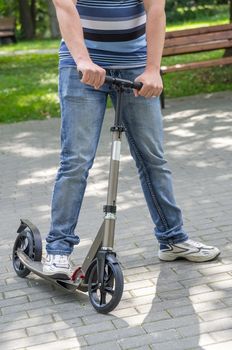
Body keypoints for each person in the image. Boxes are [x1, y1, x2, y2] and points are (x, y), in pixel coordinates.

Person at [43, 0, 220, 278]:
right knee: (76, 160)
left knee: (153, 158)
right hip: (82, 67)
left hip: (135, 65)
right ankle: (58, 249)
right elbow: (65, 8)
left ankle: (173, 239)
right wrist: (83, 60)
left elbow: (155, 10)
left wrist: (152, 69)